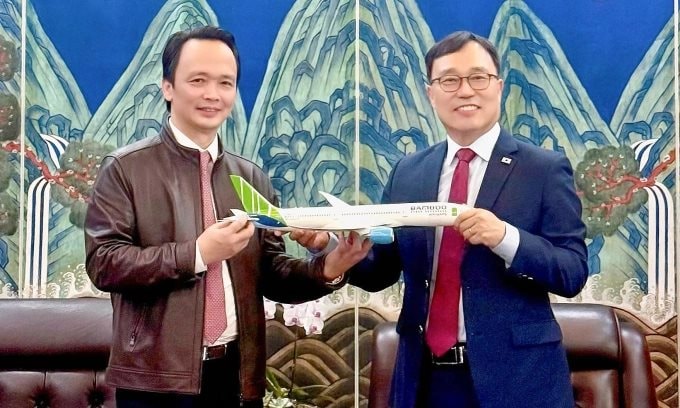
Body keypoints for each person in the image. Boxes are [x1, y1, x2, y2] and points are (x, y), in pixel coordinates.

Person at [84, 26, 367, 408]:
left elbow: (271, 273)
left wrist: (329, 267)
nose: (212, 94)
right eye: (198, 80)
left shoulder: (251, 177)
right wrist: (198, 254)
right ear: (168, 87)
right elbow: (104, 263)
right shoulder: (125, 169)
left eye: (225, 83)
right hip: (155, 380)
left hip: (236, 377)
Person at [347, 31, 588, 407]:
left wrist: (505, 237)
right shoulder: (408, 172)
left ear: (499, 87)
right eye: (449, 80)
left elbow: (571, 272)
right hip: (425, 380)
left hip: (518, 382)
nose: (465, 91)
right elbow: (382, 271)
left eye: (478, 77)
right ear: (431, 93)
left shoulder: (543, 169)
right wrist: (337, 252)